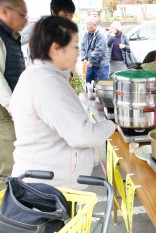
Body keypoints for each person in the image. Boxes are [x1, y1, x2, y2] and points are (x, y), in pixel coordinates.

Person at [10, 16, 116, 190]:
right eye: (74, 46)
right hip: (47, 191)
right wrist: (111, 125)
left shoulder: (34, 75)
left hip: (42, 183)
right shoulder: (47, 82)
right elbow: (81, 135)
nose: (77, 53)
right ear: (56, 48)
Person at [0, 0, 27, 190]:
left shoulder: (12, 36)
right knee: (8, 162)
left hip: (11, 108)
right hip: (3, 111)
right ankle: (6, 211)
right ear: (4, 11)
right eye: (22, 14)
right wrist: (11, 106)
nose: (25, 20)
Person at [80, 16, 109, 83]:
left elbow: (99, 50)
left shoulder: (101, 34)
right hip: (90, 64)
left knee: (102, 86)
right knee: (89, 84)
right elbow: (83, 47)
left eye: (89, 24)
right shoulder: (86, 34)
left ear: (95, 25)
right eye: (86, 24)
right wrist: (84, 58)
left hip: (101, 65)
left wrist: (90, 60)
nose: (87, 26)